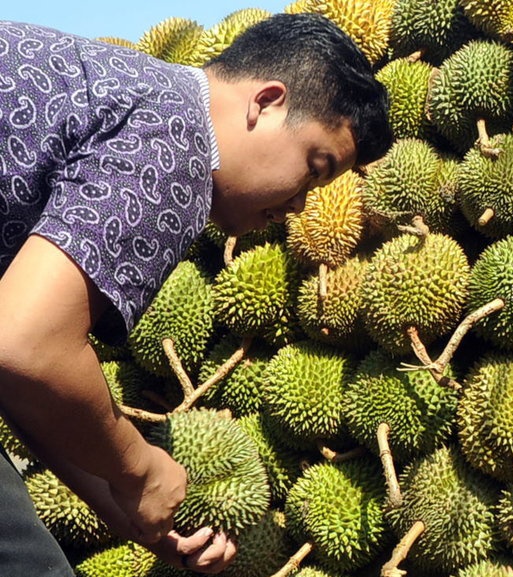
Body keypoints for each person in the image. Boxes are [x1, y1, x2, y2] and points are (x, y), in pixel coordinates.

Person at [0, 12, 391, 575]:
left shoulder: (129, 92)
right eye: (314, 167)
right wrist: (139, 467)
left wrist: (135, 510)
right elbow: (24, 346)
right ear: (267, 102)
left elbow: (19, 376)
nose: (302, 206)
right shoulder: (178, 144)